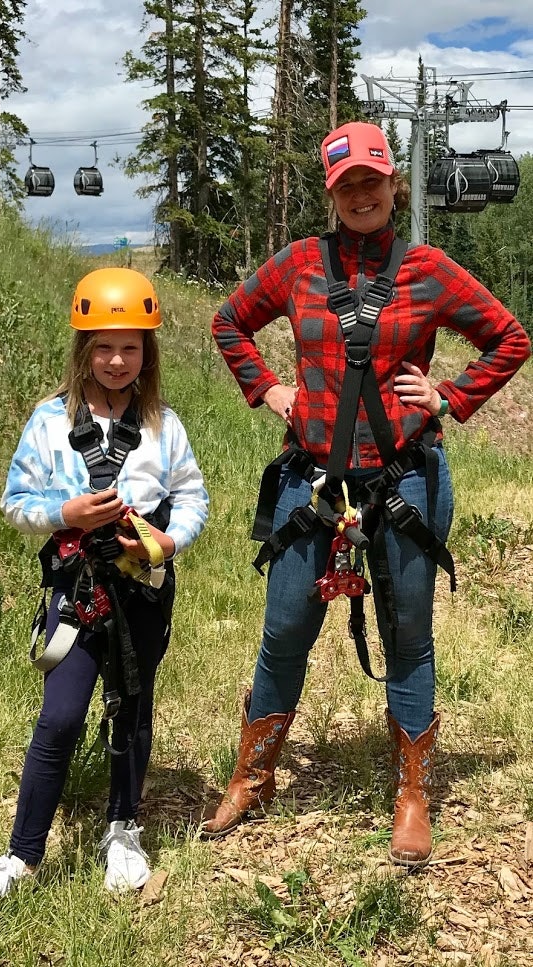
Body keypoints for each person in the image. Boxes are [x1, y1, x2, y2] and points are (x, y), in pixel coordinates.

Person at [202, 121, 531, 867]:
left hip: (403, 477)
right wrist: (268, 387)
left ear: (393, 185)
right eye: (345, 185)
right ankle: (252, 776)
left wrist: (447, 395)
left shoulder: (428, 269)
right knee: (284, 629)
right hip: (310, 477)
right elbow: (229, 321)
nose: (360, 195)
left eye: (371, 182)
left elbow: (509, 339)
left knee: (407, 636)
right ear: (331, 193)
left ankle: (411, 795)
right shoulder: (296, 265)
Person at [0, 267, 208, 919]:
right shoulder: (48, 421)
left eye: (131, 346)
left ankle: (123, 827)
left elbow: (193, 496)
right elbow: (14, 503)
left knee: (132, 706)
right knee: (60, 716)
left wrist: (167, 543)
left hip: (142, 589)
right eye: (103, 346)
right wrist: (68, 512)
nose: (117, 360)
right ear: (82, 349)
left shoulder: (163, 426)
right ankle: (20, 855)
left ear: (147, 353)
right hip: (77, 588)